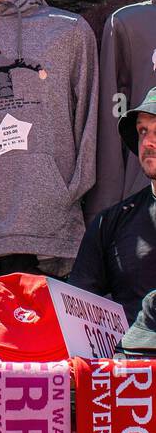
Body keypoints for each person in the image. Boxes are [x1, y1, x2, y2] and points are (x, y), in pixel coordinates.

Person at [69, 86, 156, 319]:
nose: (147, 141)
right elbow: (77, 309)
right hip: (132, 353)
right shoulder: (111, 223)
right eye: (142, 131)